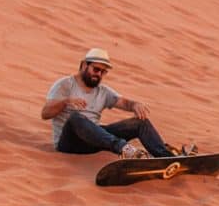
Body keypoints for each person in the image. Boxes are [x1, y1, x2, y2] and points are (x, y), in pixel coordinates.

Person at [41, 47, 184, 159]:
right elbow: (45, 113)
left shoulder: (103, 91)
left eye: (103, 72)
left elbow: (123, 102)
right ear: (84, 65)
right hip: (69, 144)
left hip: (94, 141)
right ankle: (124, 149)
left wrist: (134, 105)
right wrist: (65, 102)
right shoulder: (64, 85)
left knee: (140, 123)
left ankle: (165, 157)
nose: (99, 74)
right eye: (96, 69)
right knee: (76, 118)